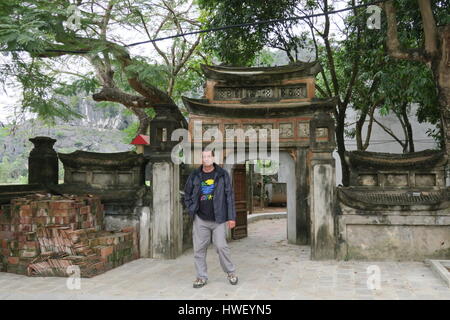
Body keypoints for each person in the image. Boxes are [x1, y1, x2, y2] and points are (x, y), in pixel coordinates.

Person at [183, 147, 238, 288]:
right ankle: (201, 277)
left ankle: (231, 272)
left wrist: (231, 217)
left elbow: (229, 196)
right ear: (201, 159)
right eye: (203, 156)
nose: (206, 159)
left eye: (208, 156)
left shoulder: (222, 174)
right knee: (199, 249)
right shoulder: (195, 175)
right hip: (200, 218)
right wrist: (191, 208)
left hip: (218, 218)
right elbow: (187, 194)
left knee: (221, 247)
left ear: (213, 158)